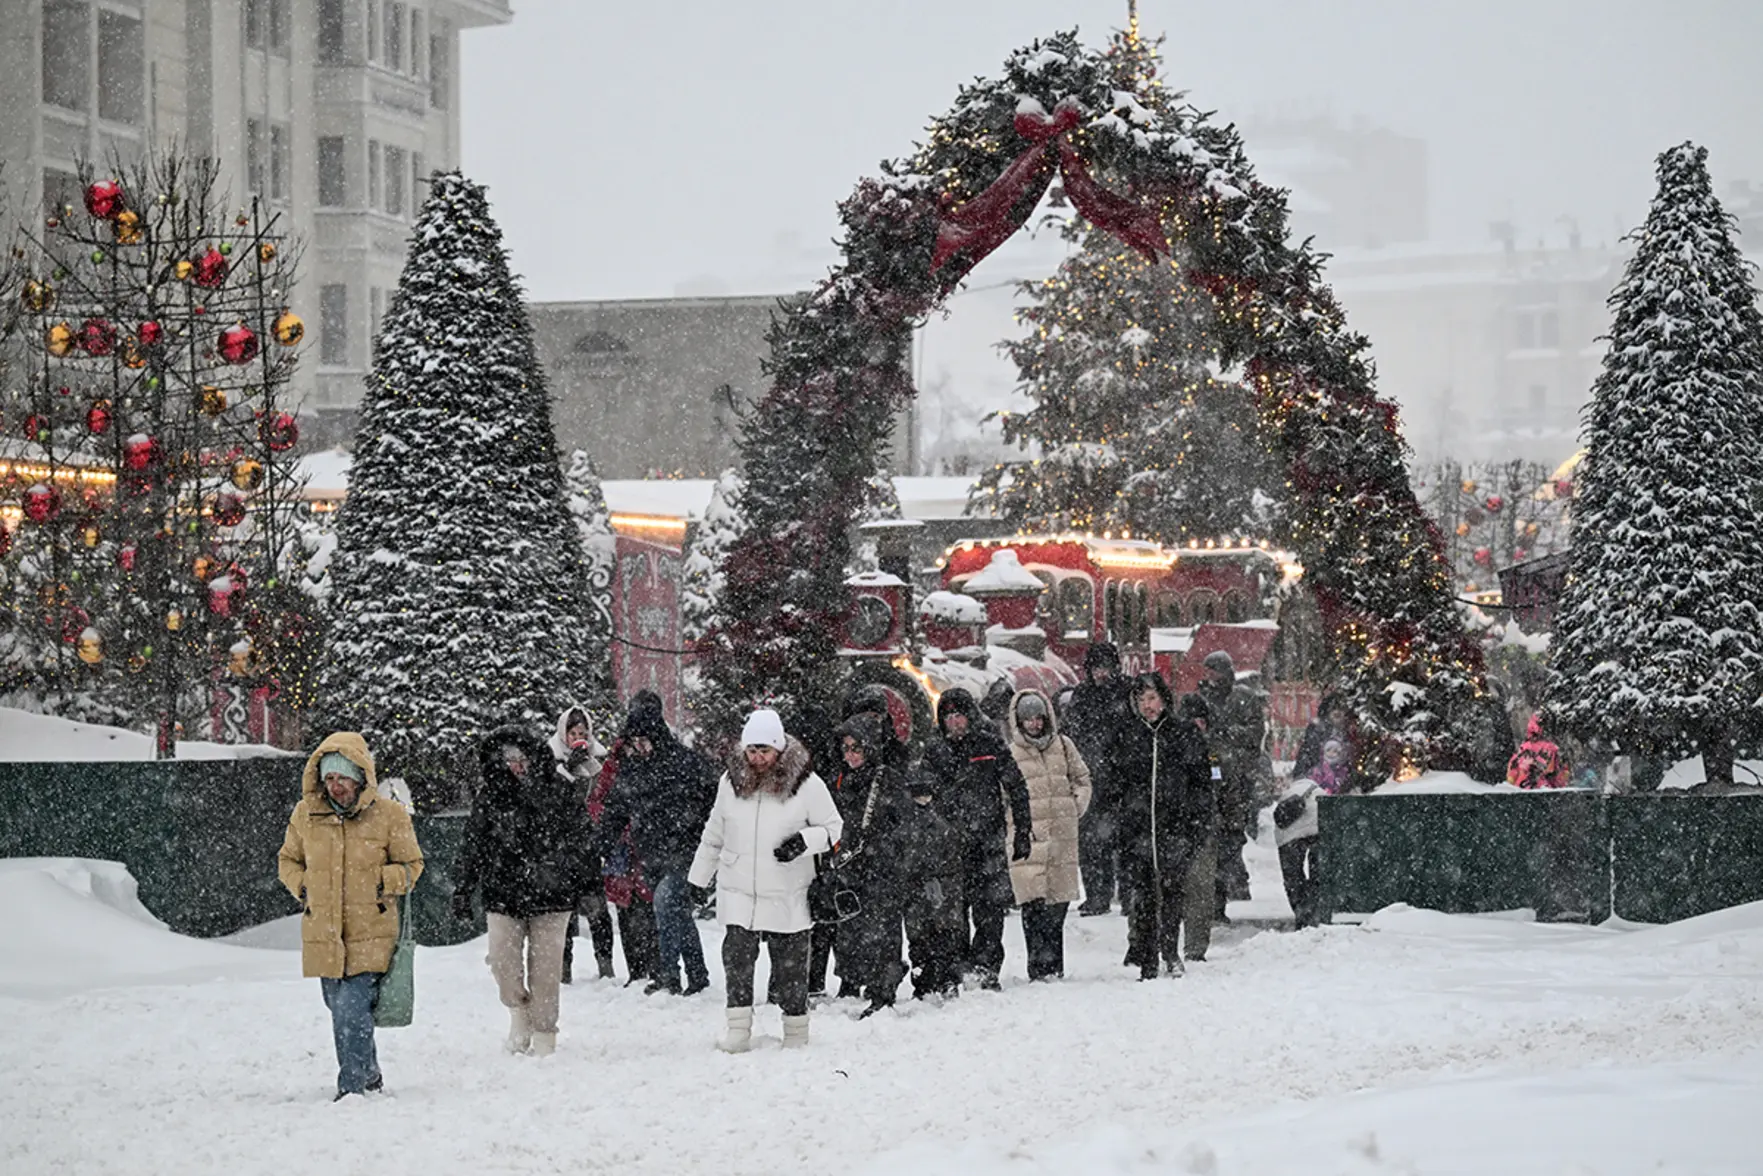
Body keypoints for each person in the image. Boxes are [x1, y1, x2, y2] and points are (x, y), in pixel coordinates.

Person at [278, 732, 423, 1099]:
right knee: (340, 1008)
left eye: (342, 778)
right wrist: (304, 887)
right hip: (323, 931)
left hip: (371, 929)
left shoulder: (389, 816)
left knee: (351, 1008)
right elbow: (288, 861)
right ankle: (371, 1072)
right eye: (329, 778)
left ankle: (352, 1087)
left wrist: (381, 882)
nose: (335, 786)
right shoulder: (305, 815)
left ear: (360, 776)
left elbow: (412, 865)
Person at [689, 708, 844, 1052]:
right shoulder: (730, 783)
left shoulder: (806, 783)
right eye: (752, 751)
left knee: (791, 969)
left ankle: (795, 1032)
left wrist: (802, 843)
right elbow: (714, 833)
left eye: (765, 751)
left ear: (779, 749)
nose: (758, 758)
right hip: (738, 887)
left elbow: (834, 828)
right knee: (737, 962)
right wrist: (697, 879)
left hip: (788, 889)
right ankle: (738, 1030)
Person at [452, 725, 595, 1056]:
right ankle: (518, 1012)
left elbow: (582, 840)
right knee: (502, 960)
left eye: (521, 758)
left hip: (553, 893)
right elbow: (473, 844)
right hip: (503, 892)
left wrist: (589, 886)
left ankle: (545, 1031)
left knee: (546, 969)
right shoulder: (490, 796)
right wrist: (463, 887)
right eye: (509, 759)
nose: (516, 765)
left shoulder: (558, 790)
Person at [600, 693, 716, 996]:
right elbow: (615, 811)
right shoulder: (633, 769)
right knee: (677, 912)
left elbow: (711, 802)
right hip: (651, 854)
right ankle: (698, 974)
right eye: (634, 741)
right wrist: (600, 846)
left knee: (665, 905)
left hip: (684, 852)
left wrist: (704, 841)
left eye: (643, 740)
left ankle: (668, 976)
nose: (638, 747)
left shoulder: (684, 764)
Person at [921, 687, 1033, 990]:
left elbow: (1016, 787)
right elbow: (922, 792)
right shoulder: (934, 751)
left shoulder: (989, 743)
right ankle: (959, 967)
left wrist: (1023, 830)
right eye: (949, 717)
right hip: (951, 845)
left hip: (988, 842)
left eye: (960, 716)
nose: (955, 723)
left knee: (990, 910)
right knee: (954, 912)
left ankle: (985, 968)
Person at [1112, 673, 1213, 979]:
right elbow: (1114, 783)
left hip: (1175, 827)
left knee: (1172, 892)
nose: (1148, 706)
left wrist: (1196, 821)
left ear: (1164, 700)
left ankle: (1170, 950)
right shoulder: (1126, 735)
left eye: (1152, 698)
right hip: (1138, 828)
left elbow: (1201, 783)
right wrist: (1120, 820)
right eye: (1141, 700)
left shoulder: (1183, 733)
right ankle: (1147, 956)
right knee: (1142, 897)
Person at [827, 711, 912, 1015]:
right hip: (850, 866)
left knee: (884, 930)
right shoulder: (840, 780)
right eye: (846, 748)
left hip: (882, 866)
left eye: (856, 748)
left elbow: (904, 824)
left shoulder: (887, 779)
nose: (850, 755)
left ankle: (883, 989)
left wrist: (882, 848)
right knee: (850, 928)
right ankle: (852, 980)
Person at [1003, 689, 1092, 981]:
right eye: (1027, 719)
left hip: (1061, 837)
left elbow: (1082, 778)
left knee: (1057, 906)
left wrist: (1075, 805)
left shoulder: (1064, 746)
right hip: (1027, 840)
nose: (1033, 724)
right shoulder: (1011, 753)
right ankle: (1038, 967)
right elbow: (1002, 795)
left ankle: (1054, 966)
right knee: (1033, 906)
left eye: (1038, 718)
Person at [1196, 650, 1268, 917]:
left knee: (1232, 833)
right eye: (1208, 671)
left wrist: (1224, 734)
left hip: (1238, 777)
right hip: (1209, 777)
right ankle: (1218, 897)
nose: (1210, 676)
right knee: (1212, 836)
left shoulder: (1244, 698)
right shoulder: (1201, 698)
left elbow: (1255, 733)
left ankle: (1232, 884)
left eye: (1214, 670)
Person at [549, 703, 614, 983]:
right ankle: (563, 967)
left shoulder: (599, 759)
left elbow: (606, 797)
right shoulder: (551, 761)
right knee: (562, 912)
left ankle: (605, 964)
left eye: (583, 731)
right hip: (560, 847)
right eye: (573, 731)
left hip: (589, 847)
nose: (579, 736)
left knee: (598, 910)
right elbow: (552, 801)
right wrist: (569, 770)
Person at [1066, 642, 1131, 915]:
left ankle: (1129, 897)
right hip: (1092, 781)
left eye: (1105, 668)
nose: (1101, 674)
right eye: (1096, 668)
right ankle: (1097, 896)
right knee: (1091, 845)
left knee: (1127, 844)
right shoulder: (1082, 696)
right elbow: (1073, 734)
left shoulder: (1127, 693)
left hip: (1123, 781)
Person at [589, 735, 657, 986]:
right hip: (621, 852)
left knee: (649, 912)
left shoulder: (655, 764)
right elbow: (596, 802)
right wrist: (614, 825)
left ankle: (655, 969)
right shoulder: (613, 767)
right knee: (626, 912)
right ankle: (636, 971)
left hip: (646, 852)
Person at [897, 768, 967, 1000]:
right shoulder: (905, 818)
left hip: (945, 884)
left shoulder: (943, 814)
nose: (923, 799)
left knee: (946, 936)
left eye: (926, 793)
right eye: (918, 794)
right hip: (917, 887)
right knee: (920, 939)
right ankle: (925, 984)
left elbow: (955, 847)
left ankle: (947, 982)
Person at [1274, 737, 1349, 929]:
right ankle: (1315, 913)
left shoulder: (1289, 793)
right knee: (1318, 874)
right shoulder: (1319, 791)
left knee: (1293, 877)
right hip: (1319, 829)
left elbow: (1280, 825)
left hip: (1289, 836)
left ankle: (1301, 913)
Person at [1175, 692, 1220, 962]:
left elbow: (1229, 789)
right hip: (1179, 826)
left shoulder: (1216, 748)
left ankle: (1195, 948)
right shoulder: (1175, 748)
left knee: (1201, 890)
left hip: (1206, 825)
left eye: (1201, 720)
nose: (1197, 725)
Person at [1292, 693, 1352, 783]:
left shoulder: (1349, 733)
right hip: (1317, 782)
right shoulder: (1315, 733)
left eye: (1341, 709)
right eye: (1333, 709)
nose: (1337, 712)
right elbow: (1305, 759)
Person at [1507, 714, 1570, 789]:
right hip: (1544, 789)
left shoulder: (1523, 747)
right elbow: (1559, 775)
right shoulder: (1552, 748)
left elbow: (1512, 773)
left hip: (1522, 788)